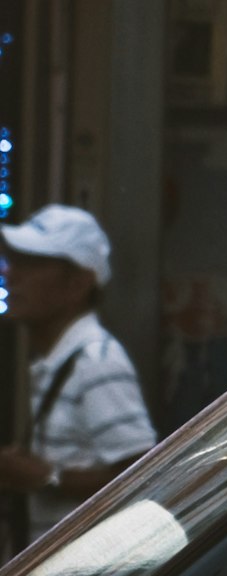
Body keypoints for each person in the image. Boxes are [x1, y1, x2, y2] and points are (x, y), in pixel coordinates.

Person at [3, 205, 158, 508]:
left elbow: (142, 475)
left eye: (31, 263)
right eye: (13, 261)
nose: (10, 274)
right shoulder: (64, 358)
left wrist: (47, 478)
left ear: (78, 284)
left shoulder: (96, 362)